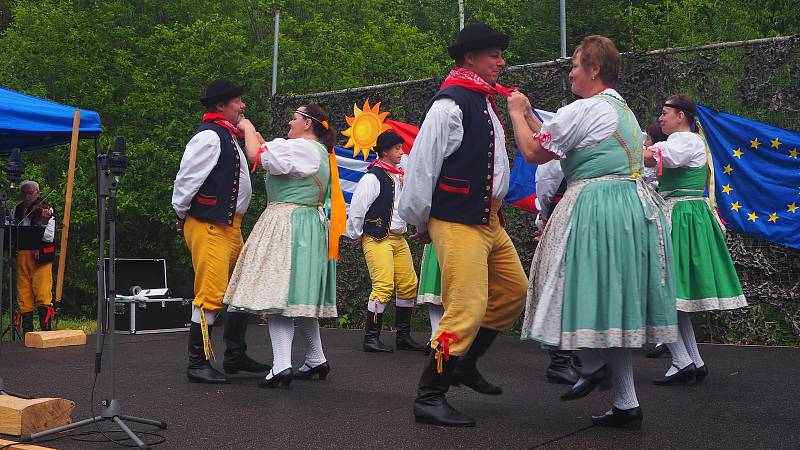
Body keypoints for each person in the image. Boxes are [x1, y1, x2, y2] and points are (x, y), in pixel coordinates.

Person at [509, 35, 677, 430]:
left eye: (575, 65)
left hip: (597, 206)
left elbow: (535, 152)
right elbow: (560, 141)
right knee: (609, 301)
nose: (570, 73)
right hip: (628, 207)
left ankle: (592, 362)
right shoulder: (620, 109)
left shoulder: (586, 108)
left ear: (594, 69)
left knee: (568, 284)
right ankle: (625, 403)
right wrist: (534, 116)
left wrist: (517, 112)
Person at [399, 22, 528, 427]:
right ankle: (429, 394)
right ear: (469, 58)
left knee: (513, 290)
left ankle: (464, 363)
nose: (501, 62)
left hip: (488, 220)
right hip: (456, 219)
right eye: (494, 54)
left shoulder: (486, 102)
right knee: (466, 308)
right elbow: (421, 170)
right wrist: (420, 220)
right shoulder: (449, 104)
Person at [224, 104, 345, 389]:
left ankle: (281, 366)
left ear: (307, 124)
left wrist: (247, 125)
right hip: (308, 224)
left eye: (295, 117)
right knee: (297, 298)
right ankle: (316, 359)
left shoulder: (302, 149)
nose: (290, 121)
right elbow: (272, 154)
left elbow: (257, 154)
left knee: (277, 296)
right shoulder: (316, 152)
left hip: (288, 222)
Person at [643, 94, 747, 385]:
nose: (660, 118)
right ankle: (692, 360)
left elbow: (653, 158)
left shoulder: (685, 140)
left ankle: (681, 360)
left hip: (681, 216)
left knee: (662, 289)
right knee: (675, 296)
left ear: (682, 116)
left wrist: (617, 150)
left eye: (665, 113)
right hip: (682, 214)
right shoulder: (682, 141)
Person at [172, 78, 270, 384]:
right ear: (220, 106)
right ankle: (197, 362)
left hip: (229, 225)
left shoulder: (227, 135)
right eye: (237, 101)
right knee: (211, 294)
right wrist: (182, 214)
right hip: (210, 224)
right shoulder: (210, 138)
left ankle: (235, 354)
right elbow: (185, 182)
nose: (242, 106)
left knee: (241, 290)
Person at [346, 130, 423, 353]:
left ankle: (403, 337)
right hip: (377, 237)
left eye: (401, 148)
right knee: (383, 286)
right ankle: (371, 338)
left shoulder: (400, 174)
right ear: (385, 151)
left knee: (409, 284)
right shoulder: (373, 177)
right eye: (397, 148)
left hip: (398, 238)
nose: (401, 152)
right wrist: (356, 234)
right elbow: (358, 209)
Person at [14, 180, 56, 333]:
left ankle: (45, 331)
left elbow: (49, 237)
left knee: (43, 292)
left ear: (38, 194)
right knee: (23, 294)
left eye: (30, 193)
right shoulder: (16, 209)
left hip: (40, 258)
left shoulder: (47, 209)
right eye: (24, 193)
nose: (27, 196)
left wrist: (43, 223)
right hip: (22, 257)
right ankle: (27, 332)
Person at [416, 243, 444, 355]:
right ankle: (435, 337)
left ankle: (444, 337)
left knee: (452, 292)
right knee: (434, 291)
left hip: (461, 240)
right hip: (437, 239)